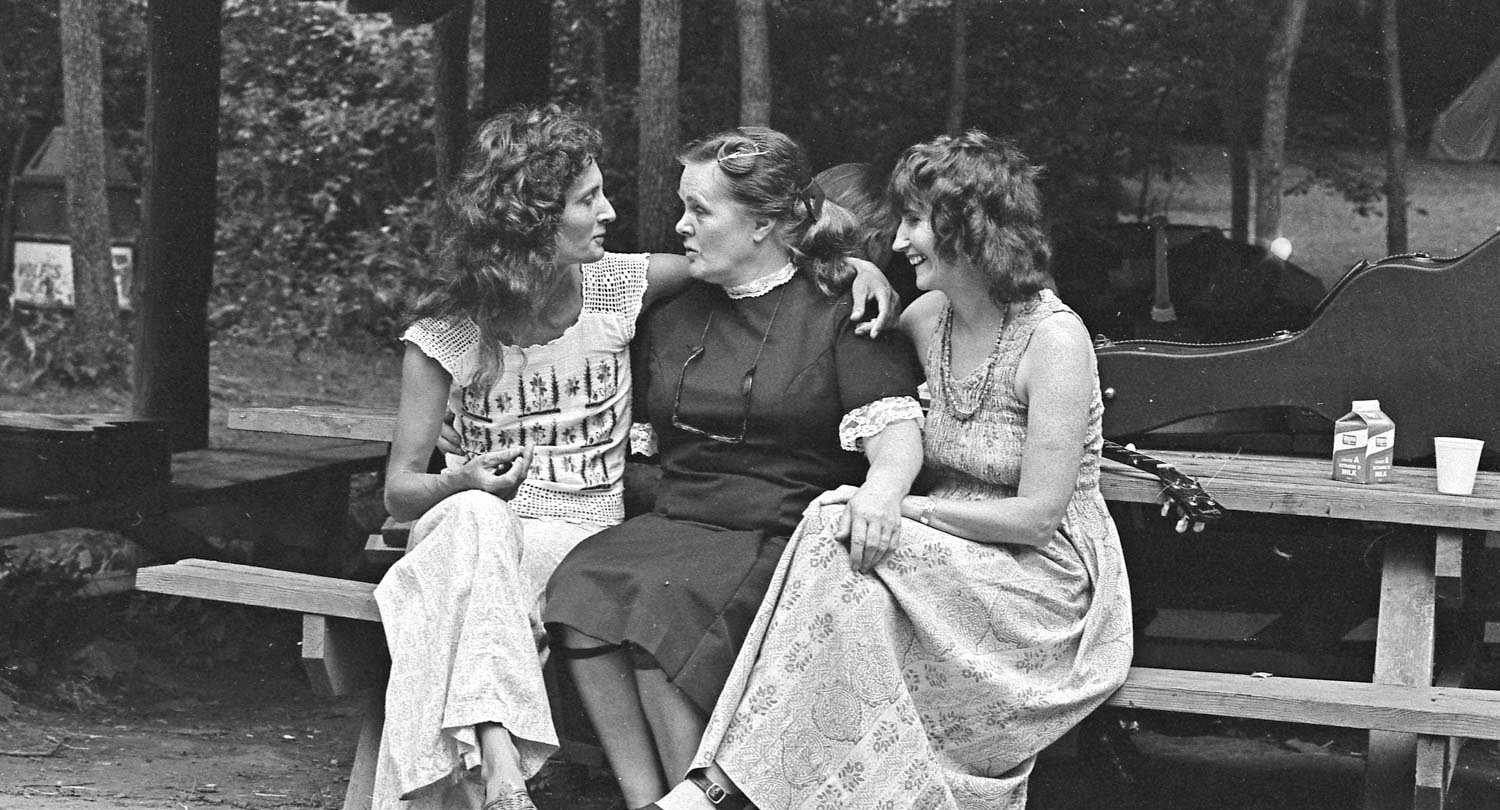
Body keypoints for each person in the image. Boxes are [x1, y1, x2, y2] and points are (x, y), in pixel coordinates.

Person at [373, 106, 899, 810]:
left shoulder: (622, 286)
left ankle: (478, 782)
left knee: (471, 598)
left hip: (578, 536)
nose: (613, 211)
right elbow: (399, 493)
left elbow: (760, 259)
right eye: (589, 199)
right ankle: (502, 770)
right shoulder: (447, 333)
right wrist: (458, 480)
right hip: (471, 533)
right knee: (473, 523)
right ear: (533, 219)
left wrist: (854, 262)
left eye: (600, 193)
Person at [651, 131, 1136, 810]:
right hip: (939, 564)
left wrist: (903, 510)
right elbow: (828, 320)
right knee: (849, 577)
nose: (901, 242)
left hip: (1039, 579)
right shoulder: (923, 317)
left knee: (833, 526)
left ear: (965, 230)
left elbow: (1037, 518)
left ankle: (718, 786)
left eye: (913, 222)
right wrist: (853, 268)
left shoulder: (1054, 339)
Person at [541, 126, 927, 810]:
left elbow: (894, 432)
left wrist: (885, 490)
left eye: (701, 211)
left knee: (660, 608)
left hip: (776, 531)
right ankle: (645, 798)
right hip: (681, 518)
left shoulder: (843, 310)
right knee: (582, 589)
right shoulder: (674, 310)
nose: (681, 227)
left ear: (763, 226)